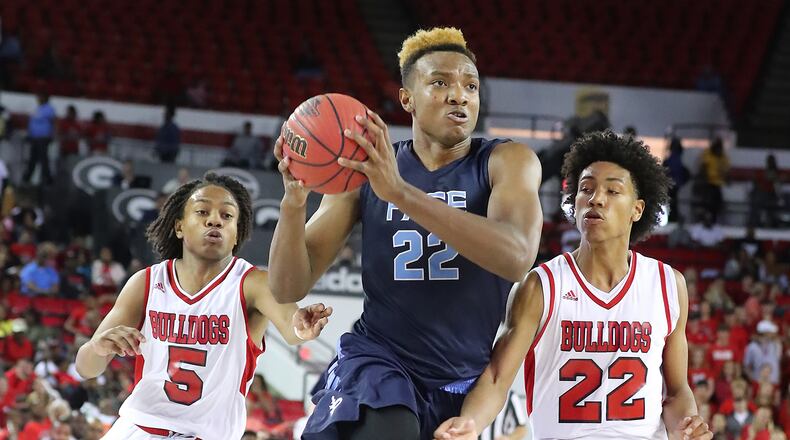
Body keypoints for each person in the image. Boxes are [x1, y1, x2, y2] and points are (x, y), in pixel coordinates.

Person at [269, 27, 542, 439]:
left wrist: (401, 193)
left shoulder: (507, 161)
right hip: (379, 362)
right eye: (440, 83)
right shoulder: (368, 170)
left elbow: (517, 257)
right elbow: (287, 285)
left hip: (460, 381)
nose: (459, 95)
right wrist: (293, 205)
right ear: (407, 99)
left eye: (470, 86)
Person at [435, 131, 712, 440]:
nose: (596, 199)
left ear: (637, 209)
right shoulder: (541, 286)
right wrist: (470, 423)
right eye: (586, 189)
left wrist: (686, 425)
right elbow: (498, 377)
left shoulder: (667, 285)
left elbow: (676, 391)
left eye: (613, 191)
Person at [74, 172, 333, 439]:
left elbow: (292, 327)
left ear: (237, 234)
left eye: (227, 215)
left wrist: (302, 325)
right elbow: (85, 367)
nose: (214, 220)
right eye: (202, 211)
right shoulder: (147, 282)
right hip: (138, 428)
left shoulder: (251, 284)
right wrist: (97, 347)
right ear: (179, 226)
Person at [23, 93, 56, 185]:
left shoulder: (49, 109)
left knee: (43, 159)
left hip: (43, 138)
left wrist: (52, 135)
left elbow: (53, 122)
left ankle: (48, 180)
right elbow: (32, 122)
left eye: (40, 97)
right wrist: (29, 134)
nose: (38, 99)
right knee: (32, 159)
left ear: (45, 98)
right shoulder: (37, 108)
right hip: (34, 138)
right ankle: (27, 179)